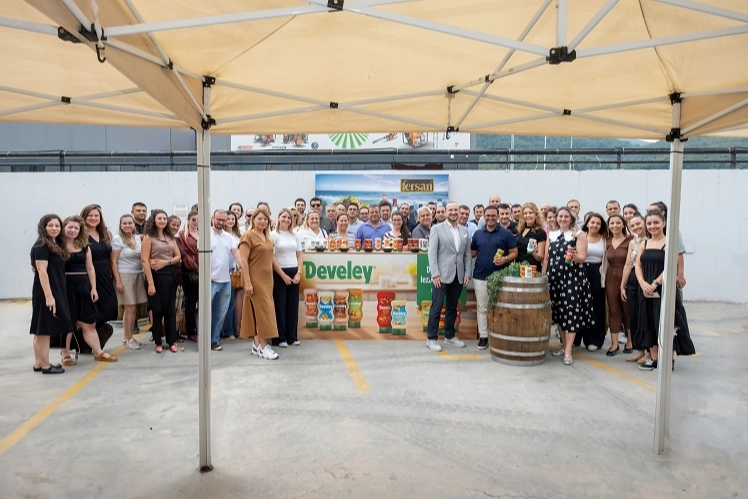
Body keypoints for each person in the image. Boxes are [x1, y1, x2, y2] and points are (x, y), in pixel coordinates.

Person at [635, 210, 695, 371]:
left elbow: (670, 266)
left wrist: (655, 283)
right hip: (646, 290)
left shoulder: (670, 243)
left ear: (664, 223)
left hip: (663, 289)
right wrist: (642, 283)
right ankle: (654, 358)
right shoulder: (644, 244)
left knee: (666, 322)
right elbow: (638, 265)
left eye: (656, 222)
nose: (652, 226)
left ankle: (668, 359)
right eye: (649, 223)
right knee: (649, 321)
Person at [60, 216, 118, 364]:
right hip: (65, 287)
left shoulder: (85, 246)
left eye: (76, 228)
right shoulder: (57, 246)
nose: (73, 230)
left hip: (83, 286)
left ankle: (98, 353)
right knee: (68, 323)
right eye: (70, 227)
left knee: (89, 323)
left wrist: (93, 288)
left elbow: (90, 268)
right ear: (64, 227)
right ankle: (65, 354)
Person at [542, 207, 594, 366]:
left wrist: (573, 256)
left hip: (572, 279)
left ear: (571, 219)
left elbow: (582, 258)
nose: (563, 219)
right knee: (558, 313)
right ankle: (564, 346)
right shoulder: (552, 235)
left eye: (566, 216)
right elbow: (546, 259)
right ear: (556, 218)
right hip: (554, 278)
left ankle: (569, 351)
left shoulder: (579, 234)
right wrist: (543, 277)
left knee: (570, 313)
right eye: (560, 216)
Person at [425, 202, 472, 352]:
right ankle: (431, 339)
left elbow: (467, 254)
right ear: (445, 212)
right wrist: (435, 274)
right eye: (450, 210)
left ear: (459, 212)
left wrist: (467, 273)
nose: (453, 212)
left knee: (452, 307)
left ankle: (450, 336)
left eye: (455, 210)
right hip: (441, 276)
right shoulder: (437, 229)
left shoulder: (464, 230)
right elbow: (432, 253)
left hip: (458, 275)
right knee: (437, 306)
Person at [471, 205, 517, 350]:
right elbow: (472, 253)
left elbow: (514, 252)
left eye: (493, 215)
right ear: (483, 217)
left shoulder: (506, 233)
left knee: (501, 308)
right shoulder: (478, 233)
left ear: (497, 217)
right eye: (487, 215)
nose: (490, 218)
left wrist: (505, 259)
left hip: (500, 277)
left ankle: (500, 334)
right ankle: (484, 336)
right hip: (480, 276)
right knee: (482, 308)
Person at [30, 214, 70, 374]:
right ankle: (46, 366)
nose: (54, 228)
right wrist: (49, 296)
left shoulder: (51, 244)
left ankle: (39, 363)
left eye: (57, 225)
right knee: (45, 330)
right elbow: (41, 270)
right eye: (50, 225)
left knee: (40, 329)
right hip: (46, 291)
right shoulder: (42, 245)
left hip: (52, 289)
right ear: (43, 227)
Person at [239, 208, 279, 360]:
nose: (262, 221)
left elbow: (271, 259)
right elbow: (243, 260)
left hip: (267, 280)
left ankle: (256, 345)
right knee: (264, 312)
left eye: (265, 219)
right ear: (253, 220)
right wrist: (248, 282)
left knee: (257, 312)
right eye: (259, 219)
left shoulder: (268, 238)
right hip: (254, 279)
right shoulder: (248, 236)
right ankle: (264, 346)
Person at [141, 209, 181, 353]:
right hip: (155, 276)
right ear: (154, 220)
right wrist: (151, 284)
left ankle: (171, 341)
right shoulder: (148, 237)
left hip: (169, 275)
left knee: (170, 311)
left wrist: (166, 262)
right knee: (157, 310)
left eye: (164, 218)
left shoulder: (170, 237)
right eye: (160, 218)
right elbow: (145, 260)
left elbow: (178, 256)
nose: (163, 221)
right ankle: (158, 341)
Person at [111, 214, 147, 350]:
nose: (127, 225)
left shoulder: (137, 238)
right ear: (120, 225)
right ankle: (130, 338)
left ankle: (126, 337)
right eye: (124, 223)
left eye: (130, 223)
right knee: (130, 308)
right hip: (124, 275)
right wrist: (118, 281)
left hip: (138, 274)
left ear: (133, 224)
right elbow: (113, 261)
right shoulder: (117, 239)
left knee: (131, 308)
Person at [81, 204, 117, 330]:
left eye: (96, 215)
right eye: (90, 215)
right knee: (93, 307)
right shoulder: (80, 234)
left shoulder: (105, 233)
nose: (93, 218)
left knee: (110, 306)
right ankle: (88, 334)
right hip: (89, 275)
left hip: (105, 275)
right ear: (84, 217)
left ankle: (93, 332)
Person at [270, 208, 303, 348]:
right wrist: (283, 275)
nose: (286, 220)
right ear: (278, 217)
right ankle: (280, 337)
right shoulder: (273, 235)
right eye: (284, 217)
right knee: (280, 306)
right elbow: (271, 258)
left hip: (294, 271)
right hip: (279, 273)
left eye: (289, 218)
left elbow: (299, 255)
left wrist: (298, 273)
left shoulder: (295, 235)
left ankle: (292, 336)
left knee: (292, 306)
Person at [207, 210, 239, 351]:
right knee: (204, 313)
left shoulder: (229, 237)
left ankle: (214, 341)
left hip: (225, 281)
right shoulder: (205, 235)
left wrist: (246, 269)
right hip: (209, 281)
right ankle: (204, 340)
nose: (221, 222)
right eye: (218, 219)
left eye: (223, 220)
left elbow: (235, 253)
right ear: (213, 218)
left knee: (220, 314)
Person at [603, 214, 633, 356]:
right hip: (611, 277)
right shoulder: (607, 241)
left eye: (618, 223)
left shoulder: (630, 240)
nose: (615, 225)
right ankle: (614, 344)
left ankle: (630, 341)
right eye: (612, 223)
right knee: (613, 310)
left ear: (623, 224)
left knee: (627, 310)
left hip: (626, 276)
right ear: (608, 226)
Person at [578, 212, 608, 351]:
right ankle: (577, 338)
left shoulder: (605, 238)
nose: (595, 225)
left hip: (598, 273)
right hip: (581, 271)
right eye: (592, 222)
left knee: (597, 306)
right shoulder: (580, 236)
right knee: (581, 305)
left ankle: (595, 340)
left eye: (598, 223)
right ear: (587, 223)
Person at [621, 213, 646, 361]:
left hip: (647, 278)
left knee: (645, 316)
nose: (636, 227)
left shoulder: (651, 240)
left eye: (638, 224)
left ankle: (649, 351)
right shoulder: (633, 242)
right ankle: (640, 350)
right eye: (632, 225)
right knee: (634, 314)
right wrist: (622, 285)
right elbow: (627, 264)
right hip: (632, 279)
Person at [177, 209, 199, 342]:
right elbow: (184, 254)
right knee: (191, 303)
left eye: (198, 220)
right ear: (189, 220)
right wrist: (198, 267)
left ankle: (202, 329)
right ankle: (191, 332)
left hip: (205, 272)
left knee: (204, 303)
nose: (196, 222)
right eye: (193, 220)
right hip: (190, 273)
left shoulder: (205, 233)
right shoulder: (182, 235)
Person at [220, 211, 243, 341]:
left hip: (238, 271)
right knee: (228, 303)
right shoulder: (222, 235)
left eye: (233, 219)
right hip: (227, 271)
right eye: (228, 219)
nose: (230, 221)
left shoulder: (239, 235)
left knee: (238, 302)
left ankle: (237, 329)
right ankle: (228, 330)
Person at [515, 202, 547, 268]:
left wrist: (534, 253)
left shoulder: (540, 232)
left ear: (536, 215)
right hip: (519, 268)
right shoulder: (520, 231)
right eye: (525, 213)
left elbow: (541, 257)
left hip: (531, 269)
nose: (528, 215)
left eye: (530, 213)